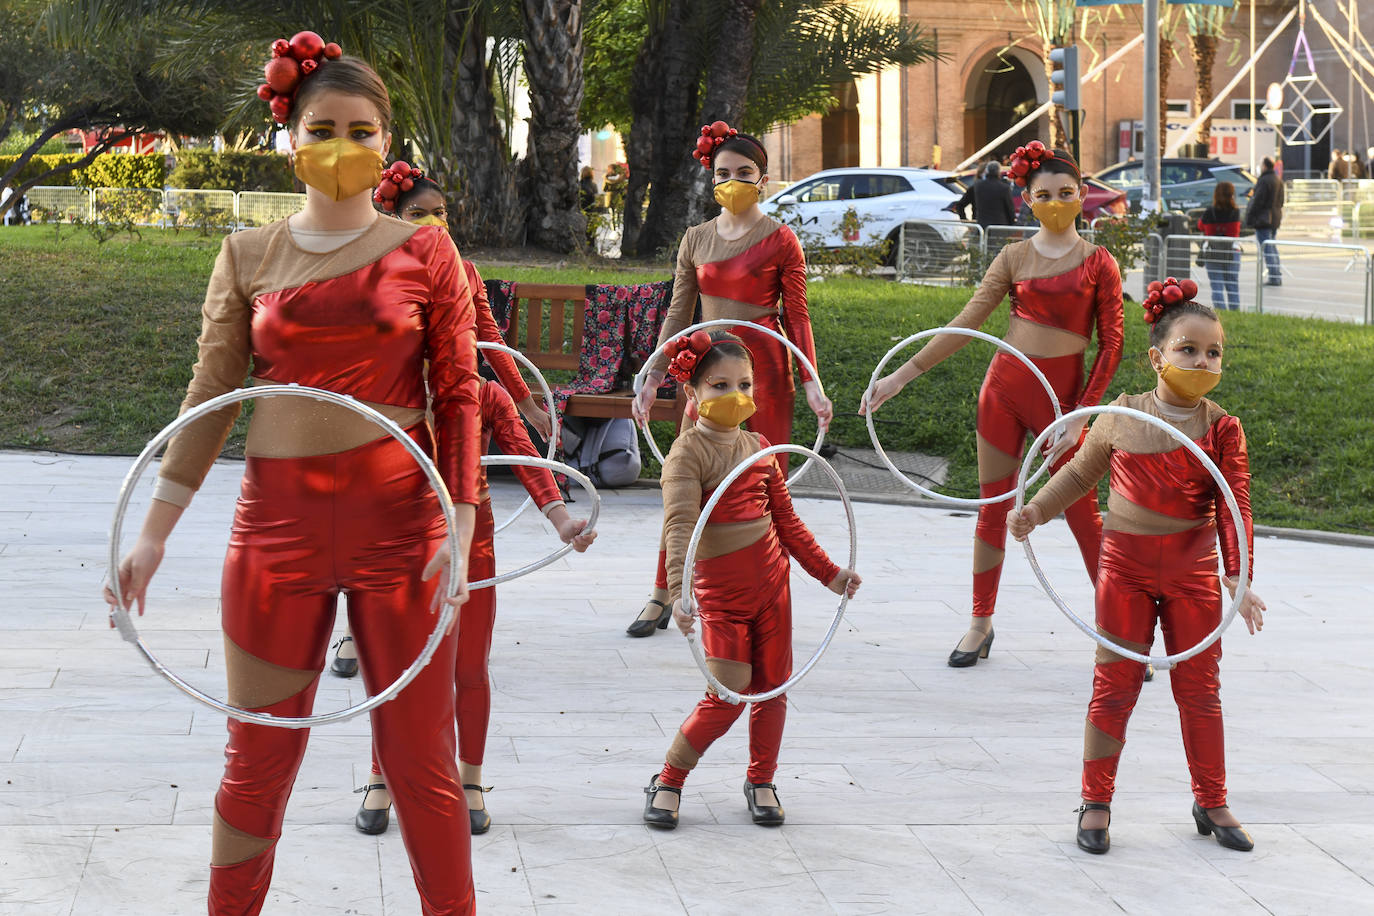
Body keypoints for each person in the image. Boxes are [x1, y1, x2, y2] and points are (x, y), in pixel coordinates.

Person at [103, 36, 484, 914]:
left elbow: (459, 393)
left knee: (422, 759)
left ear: (387, 142)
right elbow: (211, 392)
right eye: (324, 127)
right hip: (276, 533)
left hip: (405, 530)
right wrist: (153, 532)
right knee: (256, 759)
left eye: (362, 128)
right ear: (290, 137)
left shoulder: (429, 255)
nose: (342, 145)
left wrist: (460, 523)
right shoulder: (247, 253)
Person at [1008, 277, 1265, 856]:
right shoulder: (1120, 415)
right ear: (1157, 357)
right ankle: (1095, 800)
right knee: (1114, 685)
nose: (1201, 361)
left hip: (1191, 569)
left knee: (1200, 688)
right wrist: (1037, 511)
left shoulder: (1222, 428)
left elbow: (1234, 503)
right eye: (1188, 350)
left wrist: (1237, 577)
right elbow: (1077, 476)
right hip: (1122, 566)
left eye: (1213, 352)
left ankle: (1212, 797)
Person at [861, 140, 1123, 668]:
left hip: (1065, 406)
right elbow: (966, 323)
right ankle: (980, 623)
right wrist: (901, 376)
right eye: (1043, 194)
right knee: (991, 511)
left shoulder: (1099, 263)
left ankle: (1115, 634)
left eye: (1066, 193)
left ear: (1081, 196)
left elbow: (1112, 344)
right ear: (1025, 199)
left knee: (1084, 518)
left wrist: (1082, 418)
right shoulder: (1014, 256)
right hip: (1002, 392)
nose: (1055, 201)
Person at [329, 164, 556, 680]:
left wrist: (523, 401)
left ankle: (459, 621)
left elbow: (490, 339)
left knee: (457, 516)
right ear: (391, 216)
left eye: (441, 213)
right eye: (418, 214)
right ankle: (356, 628)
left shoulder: (465, 270)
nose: (433, 223)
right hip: (392, 409)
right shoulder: (370, 266)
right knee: (378, 526)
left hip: (450, 404)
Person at [352, 375, 596, 837]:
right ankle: (381, 773)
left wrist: (561, 519)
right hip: (399, 539)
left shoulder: (485, 394)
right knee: (396, 667)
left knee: (469, 666)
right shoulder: (383, 383)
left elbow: (526, 459)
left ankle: (470, 779)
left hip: (472, 541)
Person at [640, 330, 860, 829]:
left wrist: (829, 574)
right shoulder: (686, 455)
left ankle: (762, 778)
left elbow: (786, 519)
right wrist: (679, 594)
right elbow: (677, 528)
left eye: (744, 383)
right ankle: (669, 778)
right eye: (720, 385)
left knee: (772, 688)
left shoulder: (761, 446)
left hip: (771, 586)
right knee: (730, 691)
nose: (735, 395)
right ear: (692, 393)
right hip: (721, 596)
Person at [627, 121, 832, 637]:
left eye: (744, 172)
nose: (733, 181)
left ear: (763, 178)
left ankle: (765, 594)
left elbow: (798, 314)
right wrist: (652, 374)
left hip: (763, 373)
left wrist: (811, 380)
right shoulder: (695, 239)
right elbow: (679, 313)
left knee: (763, 490)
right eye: (724, 173)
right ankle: (663, 592)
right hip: (704, 372)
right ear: (710, 178)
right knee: (684, 485)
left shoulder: (782, 240)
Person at [1198, 181, 1242, 311]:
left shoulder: (1209, 212)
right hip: (1232, 251)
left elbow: (1200, 226)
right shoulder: (1235, 211)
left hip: (1212, 252)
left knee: (1216, 286)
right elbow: (1234, 232)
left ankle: (1221, 314)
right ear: (1232, 194)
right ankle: (1235, 312)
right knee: (1232, 284)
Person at [1245, 157, 1284, 286]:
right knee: (1272, 247)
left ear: (1265, 166)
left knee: (1266, 248)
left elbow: (1258, 201)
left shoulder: (1264, 180)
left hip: (1264, 219)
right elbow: (1281, 200)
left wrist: (1250, 216)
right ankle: (1276, 274)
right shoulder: (1277, 179)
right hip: (1275, 218)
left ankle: (1274, 277)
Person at [951, 160, 1017, 230]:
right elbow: (1010, 209)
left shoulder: (977, 186)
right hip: (997, 227)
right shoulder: (977, 187)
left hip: (981, 226)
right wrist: (967, 222)